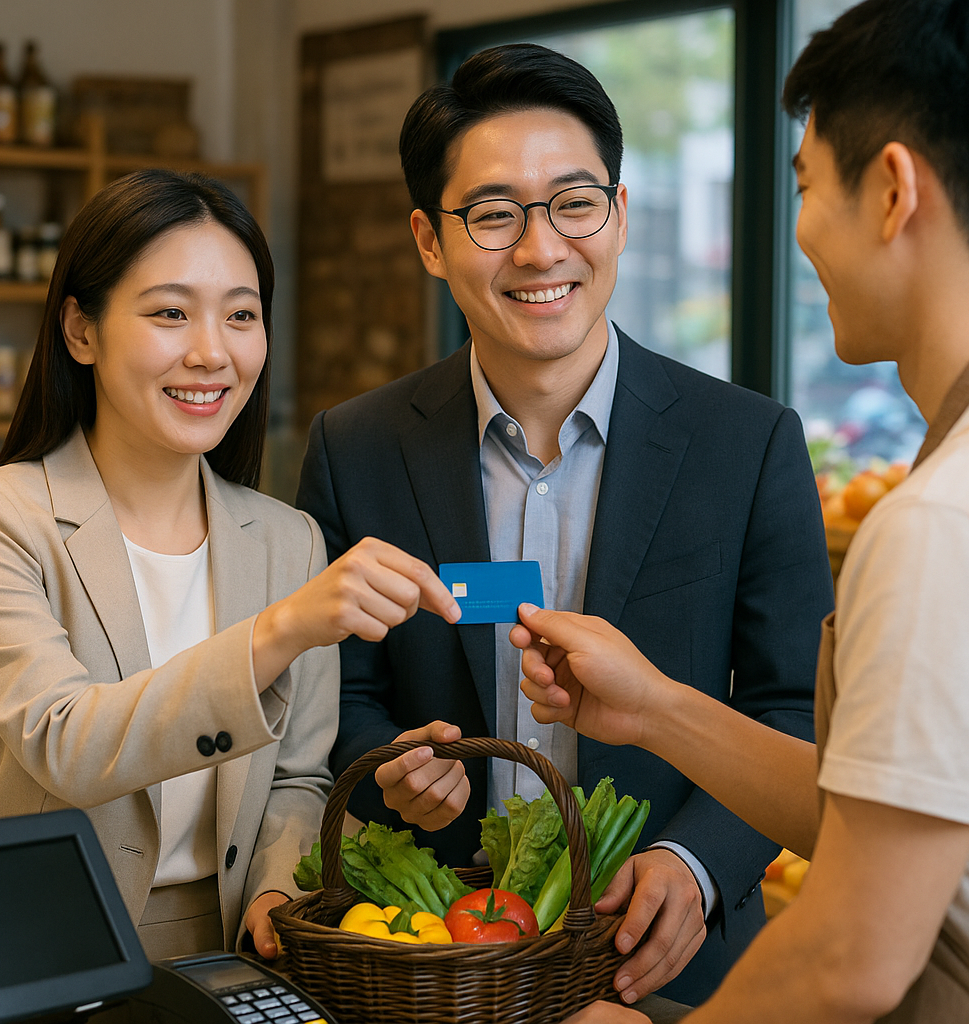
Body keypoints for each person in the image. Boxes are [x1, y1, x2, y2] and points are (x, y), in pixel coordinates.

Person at [295, 43, 834, 1005]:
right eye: (493, 215)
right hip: (430, 958)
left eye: (574, 203)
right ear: (430, 240)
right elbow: (337, 694)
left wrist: (695, 862)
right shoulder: (356, 446)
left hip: (668, 962)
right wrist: (389, 772)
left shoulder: (747, 442)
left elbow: (793, 709)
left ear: (619, 217)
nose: (541, 249)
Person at [521, 2, 969, 1020]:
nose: (797, 227)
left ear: (892, 189)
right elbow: (886, 810)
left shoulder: (935, 521)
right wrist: (656, 707)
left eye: (805, 185)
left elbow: (847, 954)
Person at [0, 169, 460, 963]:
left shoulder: (287, 542)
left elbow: (298, 779)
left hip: (233, 955)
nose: (212, 352)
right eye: (171, 313)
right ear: (80, 331)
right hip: (34, 960)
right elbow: (66, 742)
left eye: (242, 316)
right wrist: (280, 630)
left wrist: (275, 887)